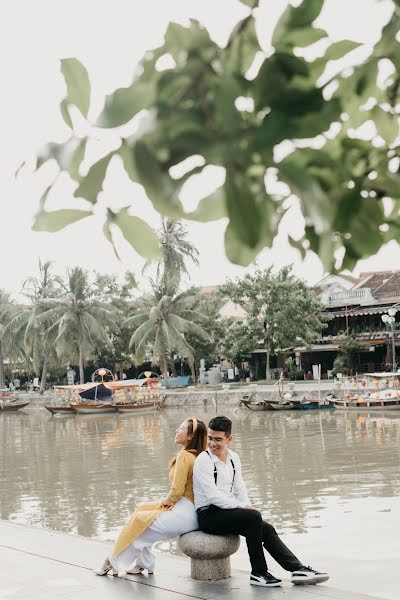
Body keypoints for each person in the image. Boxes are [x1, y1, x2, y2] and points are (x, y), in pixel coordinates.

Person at [193, 415, 329, 588]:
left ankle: (297, 569)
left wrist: (248, 507)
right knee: (253, 518)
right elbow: (213, 496)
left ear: (229, 439)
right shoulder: (203, 460)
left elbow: (239, 489)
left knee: (267, 528)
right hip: (208, 515)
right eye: (210, 438)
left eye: (218, 440)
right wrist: (245, 508)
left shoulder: (234, 458)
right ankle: (258, 573)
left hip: (228, 511)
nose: (212, 444)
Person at [95, 416, 207, 578]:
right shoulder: (193, 455)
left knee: (139, 523)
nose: (177, 430)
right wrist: (167, 502)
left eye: (181, 428)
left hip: (185, 513)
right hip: (188, 509)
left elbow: (176, 491)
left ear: (190, 436)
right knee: (141, 511)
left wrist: (166, 502)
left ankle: (112, 562)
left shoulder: (185, 456)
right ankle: (144, 564)